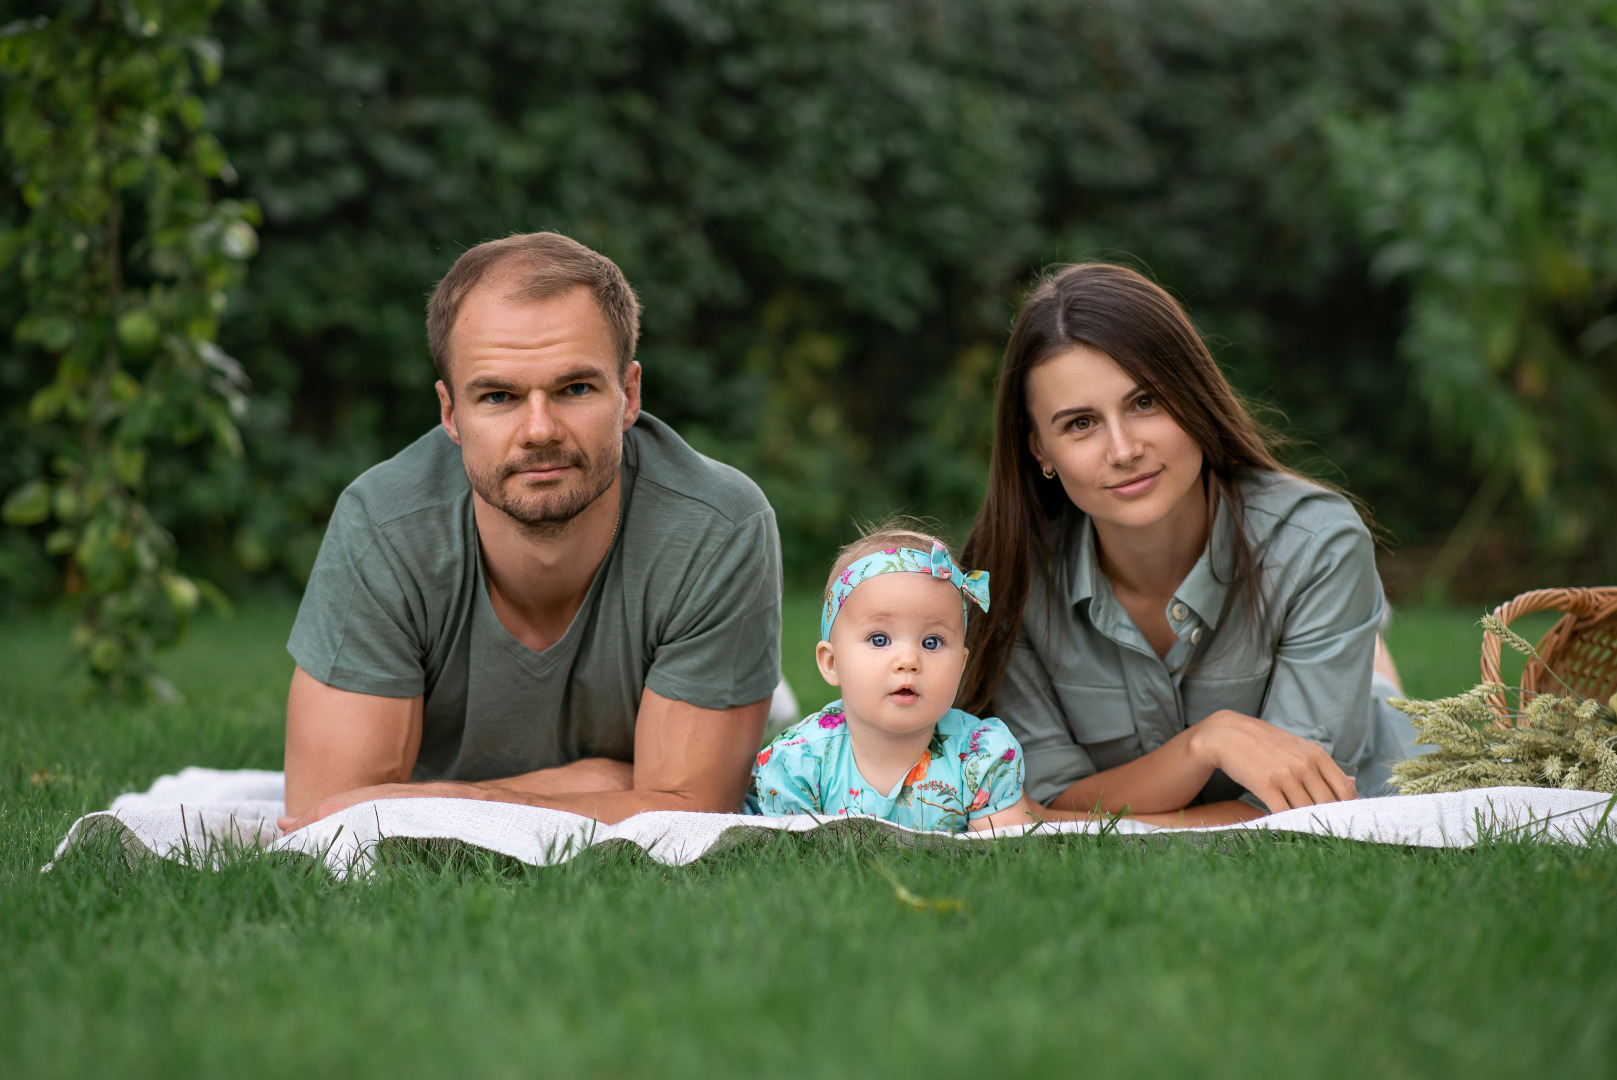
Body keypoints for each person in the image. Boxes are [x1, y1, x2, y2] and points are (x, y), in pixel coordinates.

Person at [277, 232, 782, 833]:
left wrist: (440, 801)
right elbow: (326, 821)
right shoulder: (385, 526)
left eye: (574, 388)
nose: (539, 429)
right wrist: (606, 781)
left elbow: (691, 813)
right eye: (498, 395)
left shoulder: (717, 529)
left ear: (630, 395)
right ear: (449, 414)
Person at [959, 263, 1421, 827]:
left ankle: (1370, 655)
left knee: (1370, 689)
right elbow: (1052, 796)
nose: (1124, 449)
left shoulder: (1316, 543)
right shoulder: (1012, 578)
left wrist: (1085, 821)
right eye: (1081, 424)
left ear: (1193, 396)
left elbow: (1299, 811)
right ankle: (1368, 643)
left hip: (1372, 772)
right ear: (1040, 452)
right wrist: (1207, 742)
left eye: (1146, 402)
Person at [749, 524, 1057, 834]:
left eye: (932, 642)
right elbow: (794, 862)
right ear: (832, 663)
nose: (909, 661)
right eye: (880, 639)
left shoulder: (980, 756)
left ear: (960, 665)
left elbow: (1004, 855)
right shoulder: (800, 763)